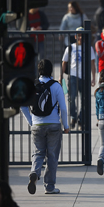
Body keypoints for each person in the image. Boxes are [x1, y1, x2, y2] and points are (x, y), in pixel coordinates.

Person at [21, 59, 70, 195]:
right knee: (52, 156)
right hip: (54, 124)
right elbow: (64, 109)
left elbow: (23, 105)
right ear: (51, 71)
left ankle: (34, 173)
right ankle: (49, 186)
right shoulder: (56, 86)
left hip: (37, 125)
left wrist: (31, 121)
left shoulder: (32, 86)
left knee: (38, 152)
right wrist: (65, 126)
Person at [60, 27, 96, 129]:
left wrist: (93, 77)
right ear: (75, 36)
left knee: (85, 100)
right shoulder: (70, 48)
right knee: (71, 98)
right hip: (73, 76)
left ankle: (81, 119)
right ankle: (73, 116)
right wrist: (60, 76)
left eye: (82, 35)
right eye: (78, 35)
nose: (80, 37)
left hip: (84, 76)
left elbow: (93, 64)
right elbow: (64, 62)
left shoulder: (89, 48)